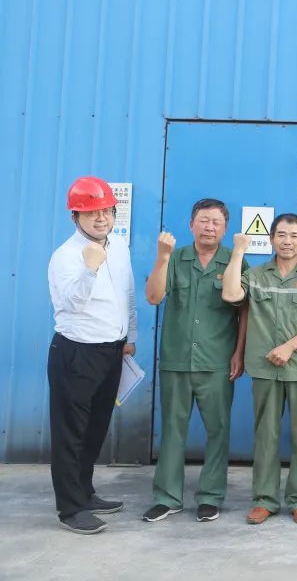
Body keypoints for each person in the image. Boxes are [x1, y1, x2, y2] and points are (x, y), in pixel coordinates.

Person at [222, 214, 297, 525]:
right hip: (264, 367)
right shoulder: (256, 274)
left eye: (294, 236)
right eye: (282, 235)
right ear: (271, 239)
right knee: (266, 435)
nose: (288, 241)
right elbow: (231, 294)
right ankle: (265, 499)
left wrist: (290, 347)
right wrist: (238, 251)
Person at [142, 199, 247, 523]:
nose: (209, 227)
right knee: (172, 430)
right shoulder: (175, 258)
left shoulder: (234, 261)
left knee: (218, 430)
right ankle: (167, 497)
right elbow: (154, 296)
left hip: (217, 362)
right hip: (176, 360)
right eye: (203, 220)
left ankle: (210, 496)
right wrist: (162, 257)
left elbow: (244, 311)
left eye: (216, 222)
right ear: (191, 225)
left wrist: (239, 352)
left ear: (225, 229)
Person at [47, 176, 137, 534]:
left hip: (111, 350)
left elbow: (127, 293)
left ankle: (84, 492)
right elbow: (70, 303)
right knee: (71, 432)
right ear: (75, 216)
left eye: (106, 211)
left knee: (95, 427)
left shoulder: (120, 246)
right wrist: (90, 268)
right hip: (77, 351)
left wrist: (129, 336)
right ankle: (70, 509)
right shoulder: (66, 256)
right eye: (91, 213)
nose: (101, 218)